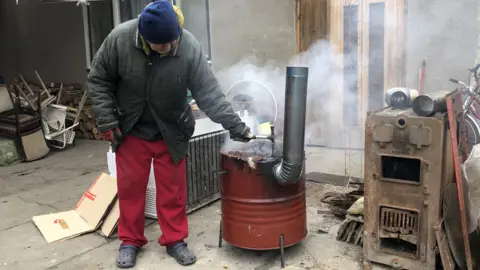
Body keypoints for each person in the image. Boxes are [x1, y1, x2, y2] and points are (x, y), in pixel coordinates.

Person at [86, 1, 254, 268]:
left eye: (171, 43)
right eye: (159, 45)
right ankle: (130, 241)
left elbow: (208, 93)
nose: (167, 49)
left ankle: (175, 240)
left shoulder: (188, 46)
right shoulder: (119, 39)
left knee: (173, 191)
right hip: (131, 128)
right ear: (143, 37)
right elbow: (99, 79)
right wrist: (107, 120)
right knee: (130, 190)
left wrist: (235, 125)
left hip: (172, 129)